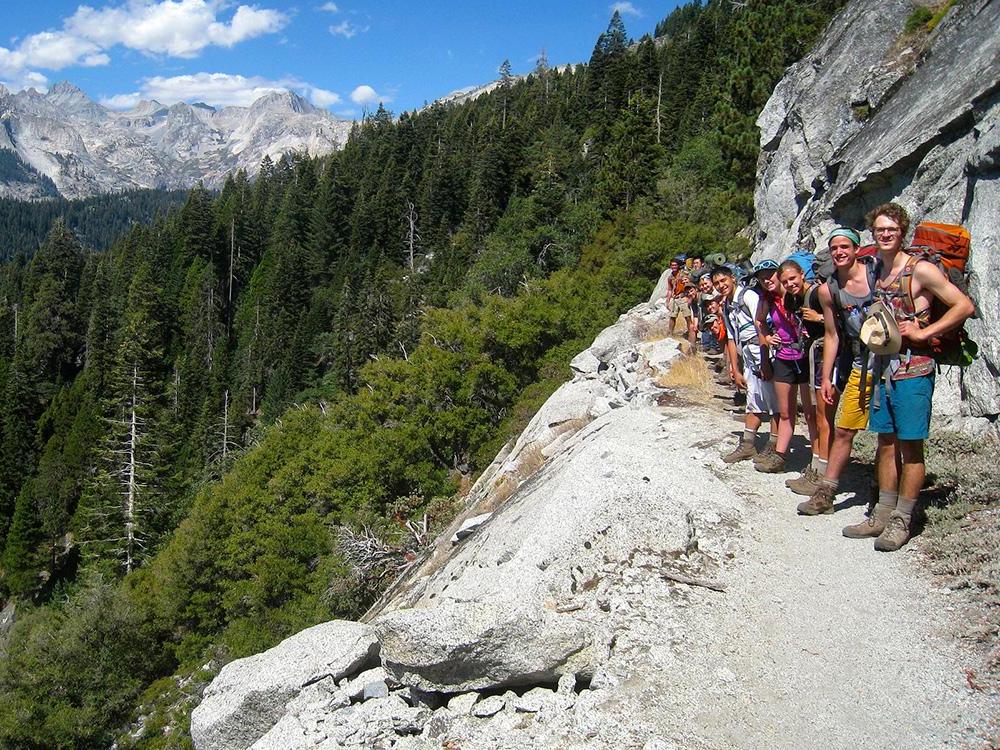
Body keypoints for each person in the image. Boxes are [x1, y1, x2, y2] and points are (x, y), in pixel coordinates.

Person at [853, 203, 974, 551]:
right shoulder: (878, 268)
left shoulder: (919, 270)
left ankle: (903, 519)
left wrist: (925, 332)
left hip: (914, 368)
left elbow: (963, 305)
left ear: (902, 231)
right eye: (880, 229)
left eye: (891, 229)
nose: (885, 234)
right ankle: (882, 513)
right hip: (883, 369)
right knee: (886, 443)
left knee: (911, 446)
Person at [797, 228, 875, 517]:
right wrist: (827, 377)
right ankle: (827, 492)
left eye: (845, 246)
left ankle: (884, 496)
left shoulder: (875, 276)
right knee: (843, 428)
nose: (840, 252)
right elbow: (832, 335)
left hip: (890, 360)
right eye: (835, 248)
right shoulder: (829, 289)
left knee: (888, 435)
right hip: (857, 361)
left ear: (856, 249)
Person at [754, 260, 818, 474]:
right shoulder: (767, 300)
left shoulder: (797, 297)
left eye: (770, 275)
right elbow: (760, 322)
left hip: (806, 356)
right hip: (784, 356)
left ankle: (817, 462)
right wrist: (768, 337)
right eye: (762, 278)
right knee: (786, 411)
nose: (766, 280)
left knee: (810, 412)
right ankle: (781, 455)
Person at [712, 265, 778, 463]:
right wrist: (735, 368)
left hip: (763, 351)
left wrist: (765, 362)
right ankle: (748, 444)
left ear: (733, 278)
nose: (721, 285)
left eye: (723, 281)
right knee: (753, 400)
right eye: (717, 283)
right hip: (749, 354)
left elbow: (762, 326)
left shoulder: (748, 296)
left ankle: (774, 448)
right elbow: (731, 339)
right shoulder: (727, 306)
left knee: (775, 404)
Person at [785, 258, 834, 495]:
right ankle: (816, 468)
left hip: (826, 355)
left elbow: (839, 324)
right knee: (813, 413)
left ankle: (822, 474)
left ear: (802, 275)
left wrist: (820, 319)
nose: (789, 284)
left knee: (823, 415)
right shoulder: (795, 297)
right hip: (813, 354)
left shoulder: (816, 295)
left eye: (792, 279)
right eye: (785, 281)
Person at [697, 274, 722, 354]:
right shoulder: (704, 295)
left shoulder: (719, 291)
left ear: (711, 282)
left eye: (705, 283)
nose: (704, 286)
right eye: (701, 285)